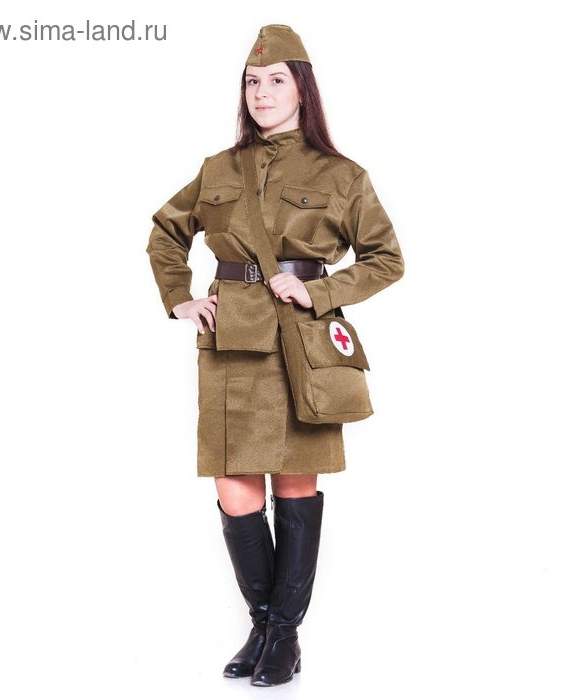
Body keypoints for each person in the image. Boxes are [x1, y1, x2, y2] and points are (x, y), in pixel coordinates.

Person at [146, 24, 404, 686]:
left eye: (276, 81)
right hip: (229, 342)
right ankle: (265, 624)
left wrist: (320, 291)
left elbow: (386, 259)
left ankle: (281, 635)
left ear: (302, 89)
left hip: (299, 344)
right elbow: (166, 232)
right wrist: (179, 299)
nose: (261, 93)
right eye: (252, 82)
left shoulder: (341, 175)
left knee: (293, 484)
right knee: (234, 489)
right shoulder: (218, 169)